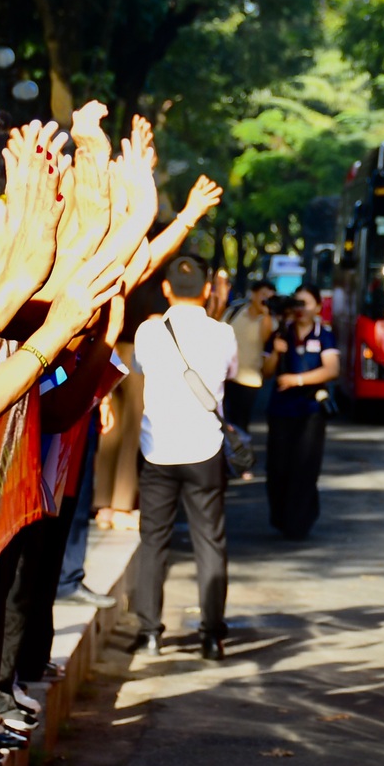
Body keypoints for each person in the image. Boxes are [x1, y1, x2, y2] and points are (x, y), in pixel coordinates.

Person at [127, 254, 234, 659]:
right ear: (207, 290)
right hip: (205, 449)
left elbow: (140, 369)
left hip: (158, 450)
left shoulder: (148, 333)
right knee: (210, 541)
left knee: (153, 540)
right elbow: (232, 372)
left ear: (166, 288)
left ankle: (150, 634)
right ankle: (211, 636)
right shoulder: (223, 334)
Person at [263, 290, 339, 540]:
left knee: (305, 467)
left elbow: (331, 369)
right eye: (296, 303)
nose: (300, 309)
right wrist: (276, 351)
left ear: (318, 307)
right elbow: (267, 372)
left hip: (310, 412)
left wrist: (297, 380)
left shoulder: (324, 335)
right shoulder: (281, 333)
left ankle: (299, 523)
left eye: (305, 304)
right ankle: (281, 518)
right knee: (278, 467)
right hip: (281, 410)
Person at [226, 278, 274, 432]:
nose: (266, 299)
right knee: (226, 419)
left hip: (250, 379)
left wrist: (266, 314)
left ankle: (240, 452)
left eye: (270, 296)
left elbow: (266, 338)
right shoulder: (236, 311)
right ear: (253, 294)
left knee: (241, 421)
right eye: (263, 294)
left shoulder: (269, 320)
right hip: (227, 376)